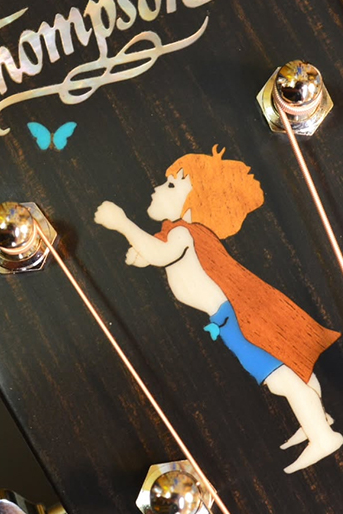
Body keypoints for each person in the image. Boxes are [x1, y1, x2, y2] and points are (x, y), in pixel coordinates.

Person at [94, 146, 342, 473]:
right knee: (290, 362)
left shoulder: (183, 232)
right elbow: (161, 254)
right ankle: (315, 417)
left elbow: (161, 254)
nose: (157, 188)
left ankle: (323, 436)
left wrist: (123, 224)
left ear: (195, 203)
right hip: (230, 315)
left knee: (280, 379)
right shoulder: (183, 233)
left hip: (237, 317)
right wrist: (142, 254)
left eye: (170, 184)